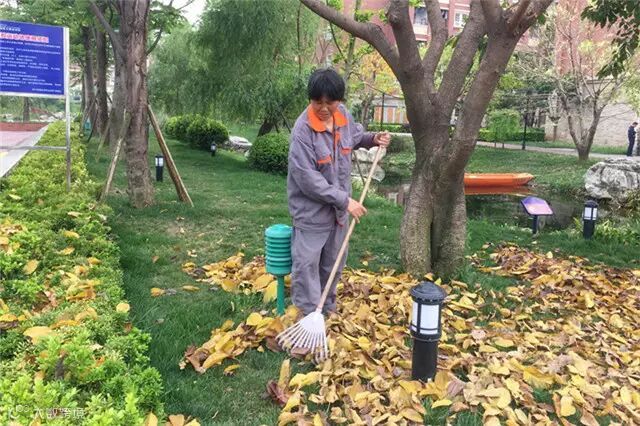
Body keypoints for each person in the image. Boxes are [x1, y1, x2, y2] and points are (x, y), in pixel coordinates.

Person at [287, 68, 391, 316]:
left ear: (339, 100)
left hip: (338, 214)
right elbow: (308, 180)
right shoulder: (302, 132)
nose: (324, 108)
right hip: (312, 213)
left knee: (333, 263)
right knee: (307, 265)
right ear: (310, 99)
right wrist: (345, 201)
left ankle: (326, 309)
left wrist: (373, 139)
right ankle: (308, 315)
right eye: (317, 102)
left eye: (330, 102)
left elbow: (354, 136)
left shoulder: (342, 115)